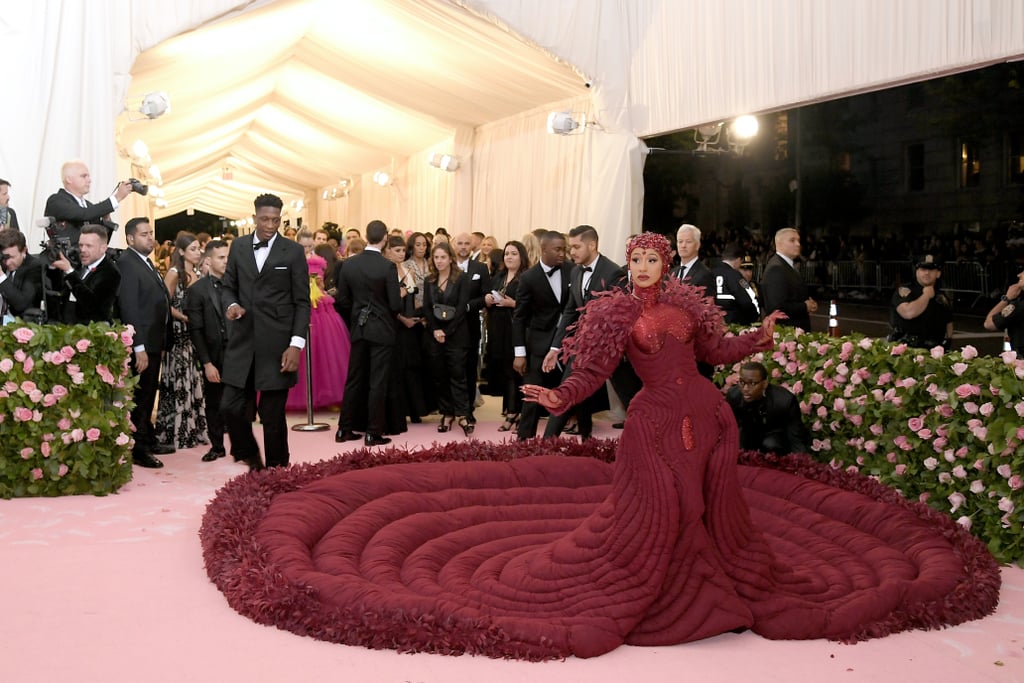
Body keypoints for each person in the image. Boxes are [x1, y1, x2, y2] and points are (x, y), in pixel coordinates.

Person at [209, 232, 992, 660]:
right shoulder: (617, 313)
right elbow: (591, 373)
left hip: (709, 416)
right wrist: (556, 395)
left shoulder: (689, 305)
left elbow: (715, 356)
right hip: (653, 423)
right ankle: (670, 593)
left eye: (656, 256)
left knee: (715, 506)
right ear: (633, 262)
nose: (649, 264)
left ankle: (716, 585)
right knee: (669, 507)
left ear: (668, 262)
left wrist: (760, 335)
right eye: (642, 256)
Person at [221, 193, 311, 470]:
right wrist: (233, 305)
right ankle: (252, 459)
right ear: (254, 218)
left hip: (277, 345)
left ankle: (277, 472)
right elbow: (228, 287)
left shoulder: (293, 251)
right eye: (265, 219)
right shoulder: (238, 246)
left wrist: (296, 345)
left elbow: (302, 302)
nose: (271, 225)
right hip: (242, 342)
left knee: (271, 416)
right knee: (230, 407)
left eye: (276, 220)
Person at [542, 225, 625, 441]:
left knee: (628, 396)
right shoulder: (576, 270)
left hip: (606, 349)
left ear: (592, 245)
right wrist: (555, 347)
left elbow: (616, 318)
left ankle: (551, 443)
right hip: (580, 346)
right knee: (571, 390)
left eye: (577, 246)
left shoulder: (614, 272)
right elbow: (571, 311)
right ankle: (563, 440)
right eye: (571, 247)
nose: (572, 252)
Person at [334, 219, 402, 447]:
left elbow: (342, 300)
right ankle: (373, 432)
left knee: (353, 379)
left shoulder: (349, 265)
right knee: (377, 381)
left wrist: (358, 312)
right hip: (382, 330)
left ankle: (344, 429)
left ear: (365, 235)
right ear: (384, 238)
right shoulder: (387, 266)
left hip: (359, 328)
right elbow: (395, 305)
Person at [114, 217, 172, 468]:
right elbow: (129, 307)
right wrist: (138, 346)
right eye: (144, 234)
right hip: (142, 343)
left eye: (151, 233)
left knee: (148, 394)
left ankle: (146, 438)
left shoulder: (144, 262)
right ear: (130, 239)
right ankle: (138, 449)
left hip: (153, 340)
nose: (151, 238)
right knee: (141, 396)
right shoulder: (127, 264)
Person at [512, 230, 571, 440]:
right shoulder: (529, 278)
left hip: (568, 344)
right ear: (544, 249)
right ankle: (524, 439)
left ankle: (576, 440)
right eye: (558, 249)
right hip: (538, 345)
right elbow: (519, 318)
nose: (563, 253)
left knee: (569, 392)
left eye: (564, 249)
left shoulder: (572, 270)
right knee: (533, 396)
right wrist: (519, 353)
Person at [154, 232, 209, 450]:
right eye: (193, 249)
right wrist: (185, 317)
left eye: (199, 248)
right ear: (182, 251)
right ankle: (177, 431)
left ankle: (193, 429)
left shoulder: (197, 273)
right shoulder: (174, 273)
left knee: (194, 379)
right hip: (178, 334)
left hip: (195, 334)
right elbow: (163, 305)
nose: (198, 253)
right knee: (180, 380)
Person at [285, 238, 350, 411]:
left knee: (325, 354)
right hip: (300, 310)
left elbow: (321, 288)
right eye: (303, 245)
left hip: (321, 311)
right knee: (304, 355)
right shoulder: (290, 261)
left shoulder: (318, 263)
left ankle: (328, 397)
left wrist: (319, 286)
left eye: (309, 246)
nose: (306, 248)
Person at [185, 240, 234, 462]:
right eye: (221, 257)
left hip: (238, 352)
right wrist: (206, 363)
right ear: (209, 260)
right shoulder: (196, 291)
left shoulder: (239, 285)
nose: (225, 261)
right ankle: (217, 446)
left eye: (227, 257)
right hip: (214, 355)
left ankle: (241, 446)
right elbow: (196, 330)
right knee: (214, 402)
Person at [423, 241, 474, 436]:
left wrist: (447, 331)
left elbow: (462, 309)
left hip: (457, 334)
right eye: (436, 257)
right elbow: (427, 309)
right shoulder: (429, 280)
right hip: (435, 336)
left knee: (458, 374)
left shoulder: (461, 278)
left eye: (443, 257)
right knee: (439, 376)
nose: (439, 261)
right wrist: (436, 330)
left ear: (451, 258)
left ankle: (463, 414)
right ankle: (447, 413)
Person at [483, 240, 530, 431]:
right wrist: (486, 299)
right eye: (507, 254)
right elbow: (487, 296)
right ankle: (512, 411)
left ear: (522, 257)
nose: (509, 257)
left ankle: (516, 413)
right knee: (506, 372)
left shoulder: (526, 278)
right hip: (498, 331)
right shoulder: (499, 276)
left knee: (518, 374)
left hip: (517, 333)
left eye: (514, 253)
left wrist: (513, 304)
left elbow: (534, 307)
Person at [725, 361, 810, 455]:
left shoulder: (784, 400)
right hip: (749, 434)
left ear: (765, 383)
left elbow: (795, 437)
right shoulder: (734, 395)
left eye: (752, 383)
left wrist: (802, 464)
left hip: (776, 437)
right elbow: (730, 428)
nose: (745, 389)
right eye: (741, 382)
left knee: (771, 443)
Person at [49, 224, 119, 324]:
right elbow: (60, 292)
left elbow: (93, 306)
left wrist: (69, 271)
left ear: (103, 248)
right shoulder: (79, 264)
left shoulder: (110, 272)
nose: (83, 250)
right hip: (67, 329)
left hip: (91, 333)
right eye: (81, 245)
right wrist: (54, 268)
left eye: (89, 246)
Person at [43, 160, 132, 238]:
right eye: (83, 176)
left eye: (88, 176)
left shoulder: (89, 207)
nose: (89, 180)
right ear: (69, 179)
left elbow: (100, 243)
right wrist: (117, 198)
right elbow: (83, 214)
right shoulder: (56, 201)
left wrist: (107, 220)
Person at [453, 232, 488, 421]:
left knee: (469, 367)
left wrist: (467, 306)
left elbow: (485, 296)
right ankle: (450, 409)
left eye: (467, 243)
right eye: (460, 243)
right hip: (448, 326)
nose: (463, 246)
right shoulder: (446, 265)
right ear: (454, 245)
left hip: (471, 325)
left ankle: (467, 410)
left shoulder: (480, 268)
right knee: (450, 367)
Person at [888, 254, 953, 349]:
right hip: (907, 350)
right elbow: (908, 313)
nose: (927, 273)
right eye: (923, 269)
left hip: (933, 351)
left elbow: (949, 324)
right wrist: (926, 296)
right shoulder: (905, 291)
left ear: (938, 273)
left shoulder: (942, 297)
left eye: (931, 270)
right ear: (917, 272)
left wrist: (946, 345)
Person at [762, 227, 816, 331]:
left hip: (793, 330)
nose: (798, 244)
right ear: (780, 243)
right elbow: (776, 306)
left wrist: (809, 304)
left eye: (798, 240)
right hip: (787, 332)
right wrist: (804, 306)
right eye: (792, 240)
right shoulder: (776, 268)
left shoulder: (786, 266)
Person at [711, 243, 760, 325]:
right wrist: (754, 317)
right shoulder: (736, 276)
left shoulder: (710, 273)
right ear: (739, 259)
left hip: (714, 323)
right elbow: (748, 300)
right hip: (734, 323)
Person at [0, 229, 43, 318]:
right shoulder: (2, 263)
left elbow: (22, 304)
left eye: (11, 257)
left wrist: (1, 276)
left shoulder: (34, 267)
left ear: (23, 251)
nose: (7, 263)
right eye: (5, 258)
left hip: (21, 322)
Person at [984, 264, 1024, 351]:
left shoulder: (1018, 306)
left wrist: (1006, 298)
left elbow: (989, 324)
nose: (1019, 275)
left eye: (1023, 273)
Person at [670, 223, 713, 296]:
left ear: (697, 245)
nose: (683, 246)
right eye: (680, 241)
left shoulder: (705, 274)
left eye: (688, 242)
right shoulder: (671, 273)